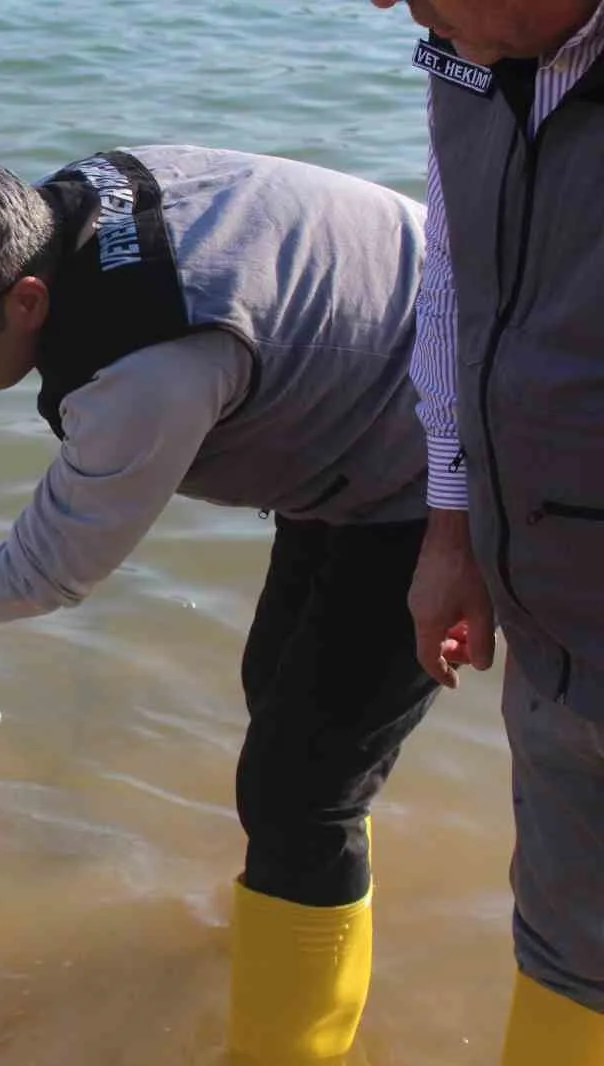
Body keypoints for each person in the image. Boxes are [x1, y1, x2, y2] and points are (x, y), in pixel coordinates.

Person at [0, 145, 443, 1064]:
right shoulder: (52, 212)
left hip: (441, 460)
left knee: (301, 791)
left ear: (26, 301)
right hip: (349, 392)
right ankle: (282, 917)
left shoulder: (147, 370)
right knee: (278, 696)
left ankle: (292, 1048)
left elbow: (44, 572)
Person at [369, 2, 604, 1063]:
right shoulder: (468, 55)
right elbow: (449, 285)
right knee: (561, 954)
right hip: (545, 610)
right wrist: (452, 529)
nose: (392, 5)